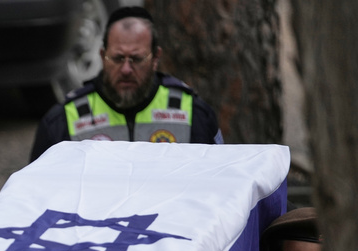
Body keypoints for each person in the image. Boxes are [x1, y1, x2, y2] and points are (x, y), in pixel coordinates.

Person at [29, 6, 222, 162]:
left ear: (155, 58)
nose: (126, 70)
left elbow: (217, 184)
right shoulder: (64, 120)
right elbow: (39, 194)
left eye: (137, 59)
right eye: (118, 58)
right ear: (103, 57)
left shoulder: (192, 114)